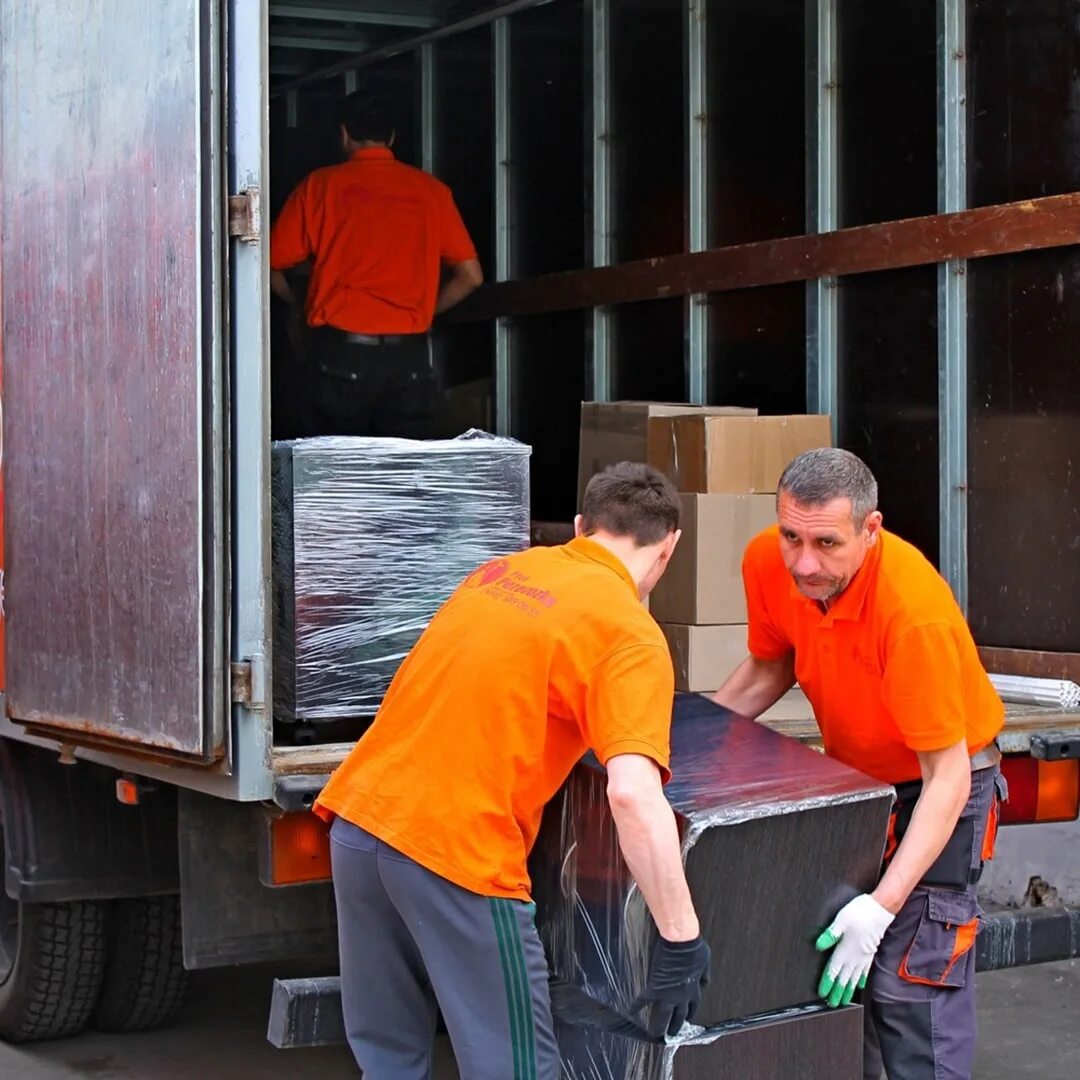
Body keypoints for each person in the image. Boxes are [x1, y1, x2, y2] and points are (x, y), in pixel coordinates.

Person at [314, 462, 712, 1079]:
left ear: (581, 527)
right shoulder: (628, 633)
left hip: (360, 825)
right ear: (670, 549)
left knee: (390, 1062)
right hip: (456, 856)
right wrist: (681, 936)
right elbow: (632, 794)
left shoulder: (503, 571)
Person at [713, 447, 1004, 1080]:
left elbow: (946, 776)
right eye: (791, 535)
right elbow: (772, 662)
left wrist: (882, 906)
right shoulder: (771, 561)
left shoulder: (910, 612)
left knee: (910, 987)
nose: (803, 562)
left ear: (871, 531)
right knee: (845, 993)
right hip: (858, 784)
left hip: (943, 788)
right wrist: (687, 744)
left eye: (826, 543)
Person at [270, 93, 483, 438]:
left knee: (336, 480)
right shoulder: (431, 192)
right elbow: (471, 277)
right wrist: (423, 312)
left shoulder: (319, 187)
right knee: (404, 481)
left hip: (339, 358)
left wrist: (300, 303)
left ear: (343, 135)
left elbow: (268, 265)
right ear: (393, 137)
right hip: (409, 361)